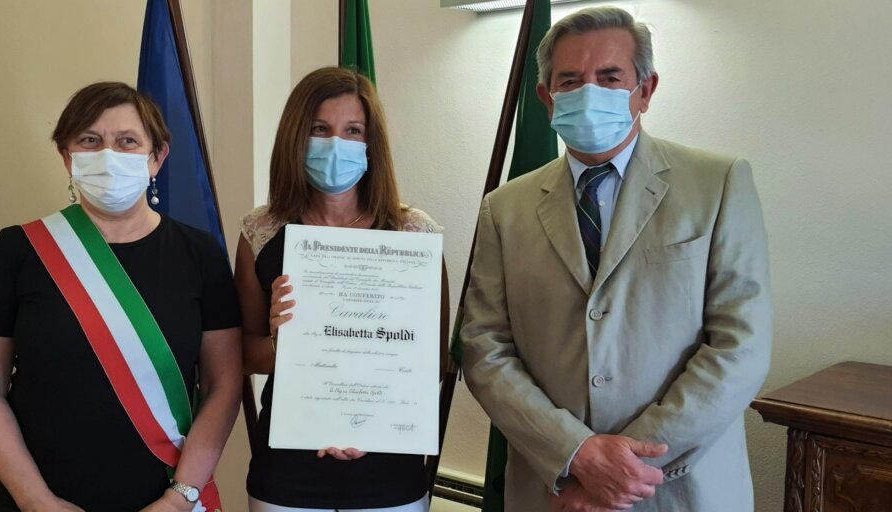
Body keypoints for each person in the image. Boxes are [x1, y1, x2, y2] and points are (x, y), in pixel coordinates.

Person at [461, 7, 772, 511]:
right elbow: (484, 347)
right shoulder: (504, 208)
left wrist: (622, 465)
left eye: (609, 78)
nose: (589, 92)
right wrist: (578, 454)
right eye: (570, 81)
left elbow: (740, 346)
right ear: (546, 97)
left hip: (679, 491)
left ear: (645, 90)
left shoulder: (718, 184)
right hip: (553, 488)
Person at [0, 82, 242, 512]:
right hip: (40, 500)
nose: (108, 155)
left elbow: (223, 384)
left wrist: (180, 498)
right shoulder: (19, 250)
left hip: (168, 498)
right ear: (67, 156)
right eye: (90, 141)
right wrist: (36, 501)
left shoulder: (200, 255)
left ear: (157, 158)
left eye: (127, 141)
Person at [234, 66, 450, 512]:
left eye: (353, 130)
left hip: (389, 463)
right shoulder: (261, 230)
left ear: (371, 143)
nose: (337, 144)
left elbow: (432, 361)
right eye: (320, 129)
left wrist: (366, 423)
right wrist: (285, 342)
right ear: (296, 137)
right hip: (289, 465)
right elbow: (245, 356)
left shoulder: (413, 233)